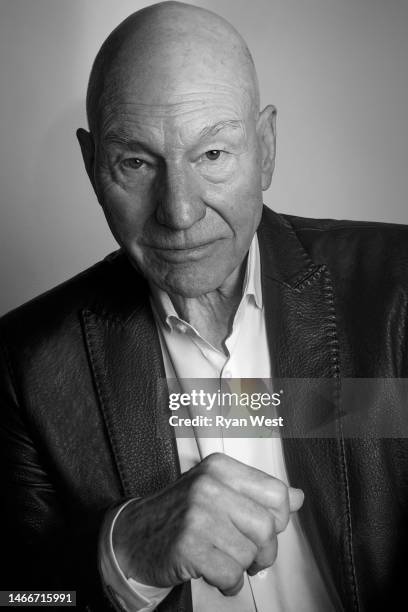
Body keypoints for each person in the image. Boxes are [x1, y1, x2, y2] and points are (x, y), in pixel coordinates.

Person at [0, 2, 407, 611]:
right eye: (135, 162)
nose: (180, 213)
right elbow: (23, 599)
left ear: (266, 147)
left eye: (213, 155)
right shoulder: (22, 367)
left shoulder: (397, 291)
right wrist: (122, 555)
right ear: (91, 166)